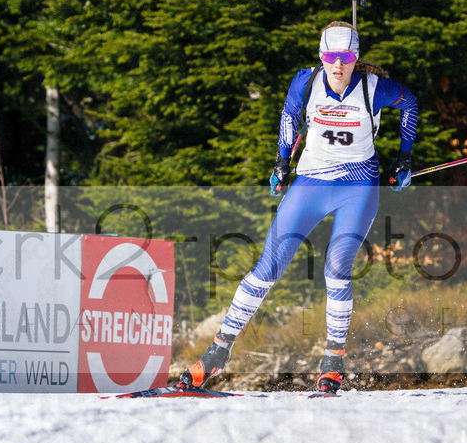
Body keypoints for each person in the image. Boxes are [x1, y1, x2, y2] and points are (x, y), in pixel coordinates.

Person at [179, 21, 419, 396]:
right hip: (310, 183)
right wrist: (281, 163)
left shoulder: (376, 88)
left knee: (337, 267)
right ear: (321, 55)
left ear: (355, 57)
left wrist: (403, 159)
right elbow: (290, 117)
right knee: (268, 265)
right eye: (330, 56)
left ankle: (333, 362)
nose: (337, 65)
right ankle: (217, 351)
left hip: (357, 188)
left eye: (346, 57)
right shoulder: (306, 81)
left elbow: (410, 104)